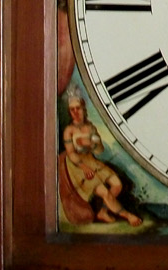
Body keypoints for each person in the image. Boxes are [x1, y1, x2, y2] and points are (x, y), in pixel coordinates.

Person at [58, 88, 142, 227]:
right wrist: (84, 168)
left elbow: (99, 150)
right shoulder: (69, 131)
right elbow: (71, 154)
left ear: (83, 109)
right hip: (77, 166)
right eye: (72, 110)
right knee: (104, 192)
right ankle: (128, 216)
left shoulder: (90, 128)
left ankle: (103, 212)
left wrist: (92, 143)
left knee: (117, 185)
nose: (75, 112)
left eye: (78, 108)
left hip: (91, 161)